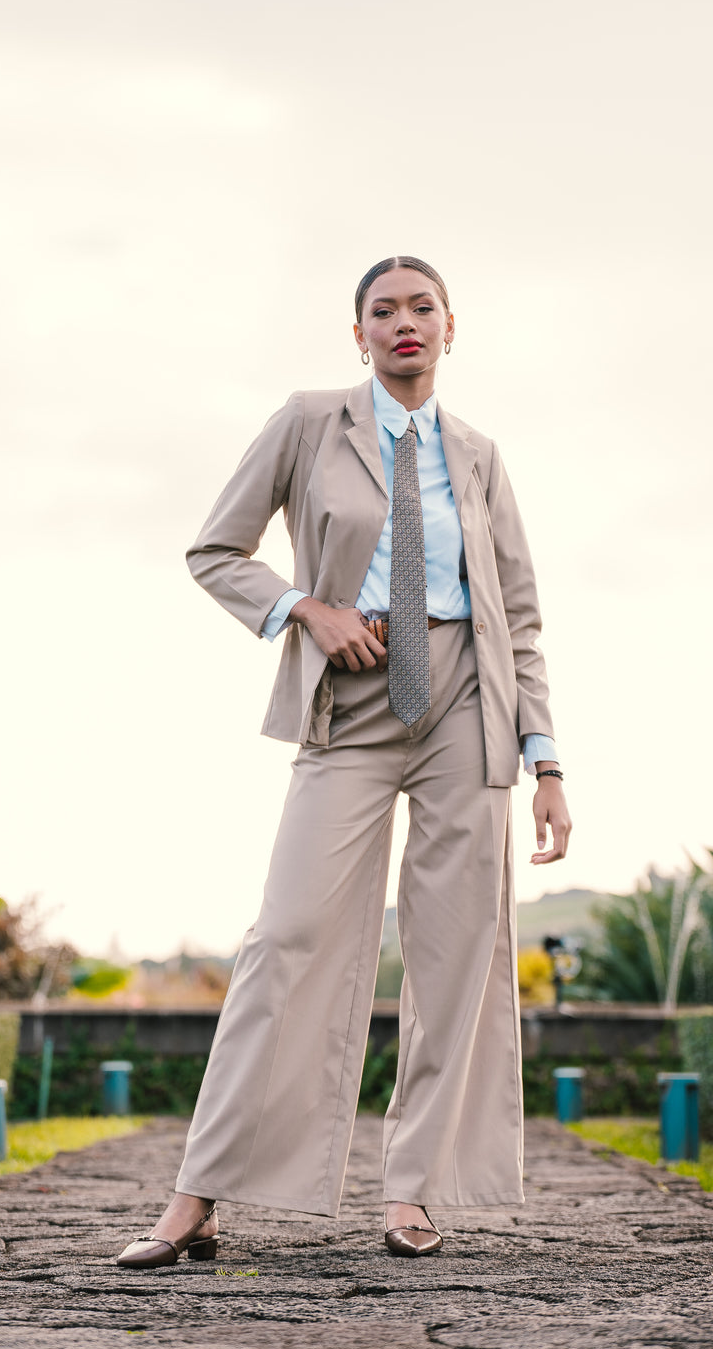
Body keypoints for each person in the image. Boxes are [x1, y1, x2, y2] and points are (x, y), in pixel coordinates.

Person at [117, 255, 572, 1268]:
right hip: (349, 702)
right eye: (383, 310)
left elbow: (520, 617)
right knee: (287, 935)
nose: (404, 322)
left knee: (457, 953)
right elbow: (215, 551)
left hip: (467, 706)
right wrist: (305, 609)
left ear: (450, 326)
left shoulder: (480, 455)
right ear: (357, 333)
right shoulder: (308, 423)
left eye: (422, 307)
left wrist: (545, 763)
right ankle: (200, 1194)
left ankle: (414, 1191)